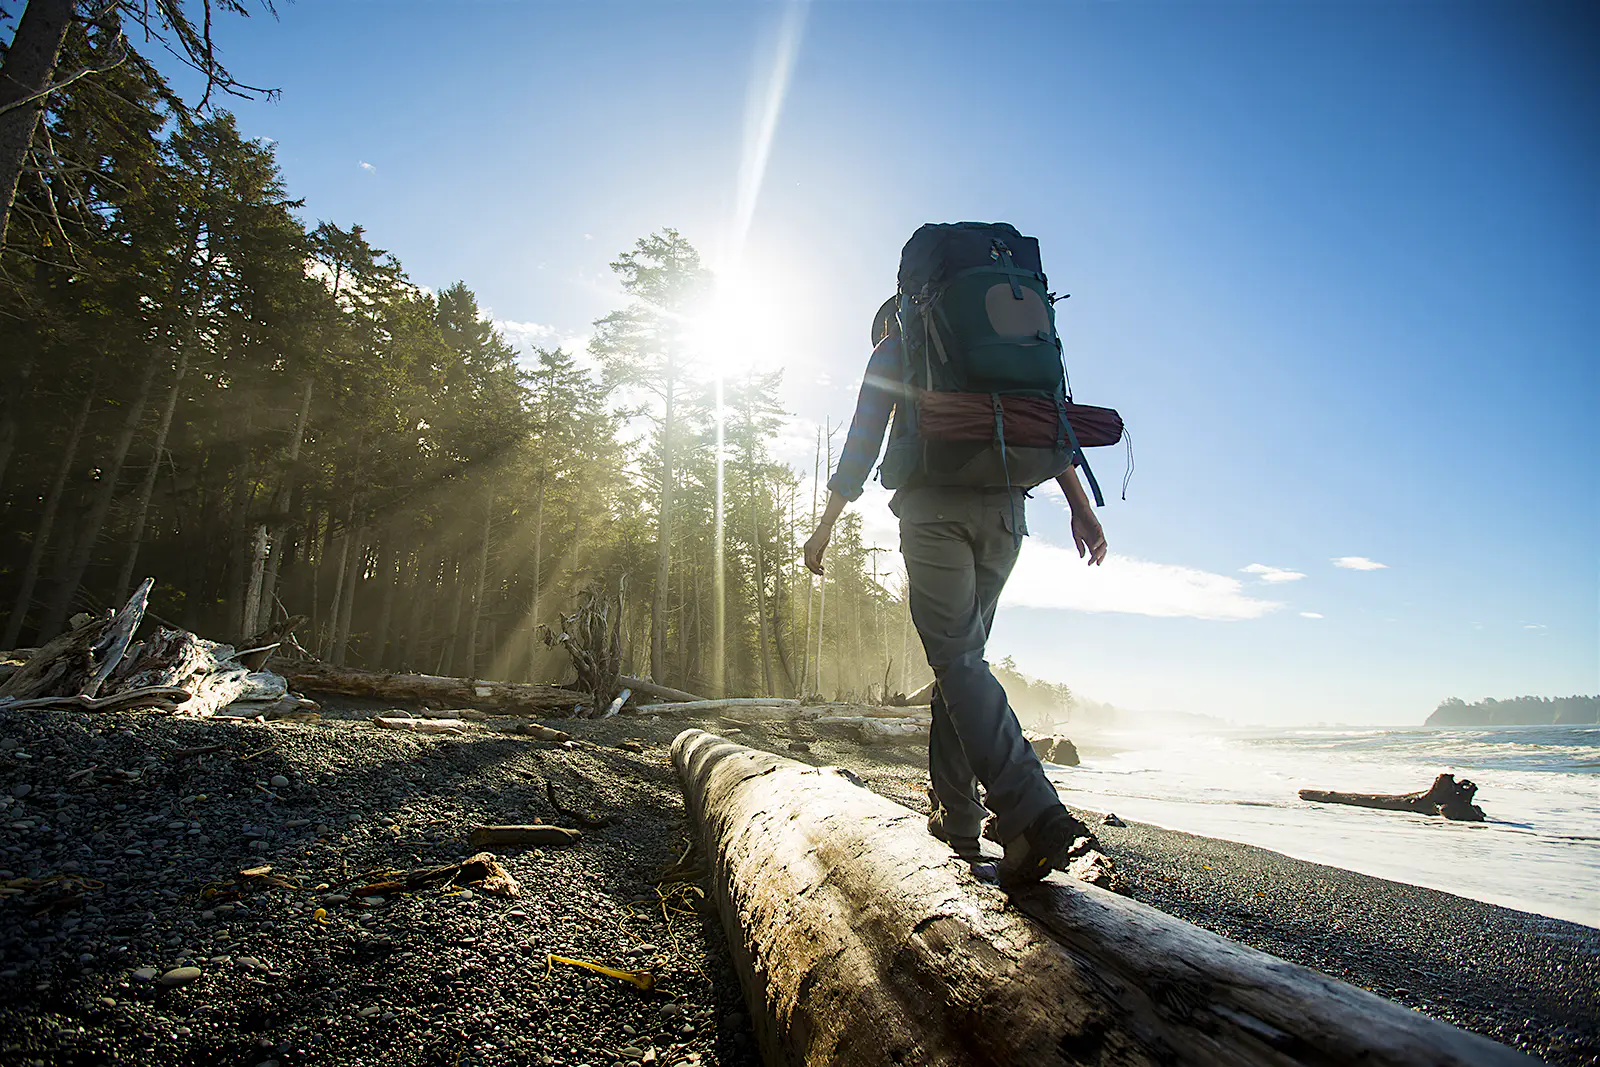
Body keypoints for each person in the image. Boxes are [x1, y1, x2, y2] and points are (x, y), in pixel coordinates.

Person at [803, 304, 1108, 888]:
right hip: (1005, 517)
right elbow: (1046, 426)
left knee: (958, 661)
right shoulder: (998, 358)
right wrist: (1081, 510)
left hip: (934, 511)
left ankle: (1034, 813)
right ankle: (958, 822)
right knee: (961, 664)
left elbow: (862, 442)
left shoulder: (896, 347)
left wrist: (826, 523)